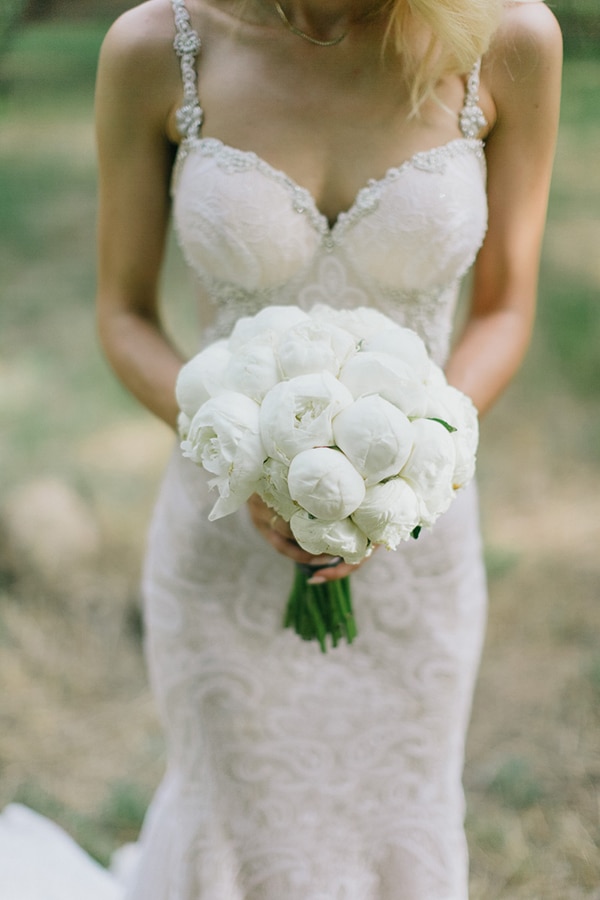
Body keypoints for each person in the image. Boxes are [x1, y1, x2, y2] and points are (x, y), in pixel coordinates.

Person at [94, 0, 562, 896]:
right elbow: (122, 315)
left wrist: (411, 462)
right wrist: (240, 460)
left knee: (397, 818)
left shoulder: (509, 39)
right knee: (234, 822)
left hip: (416, 537)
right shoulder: (158, 48)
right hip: (223, 534)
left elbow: (505, 306)